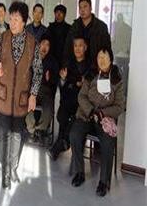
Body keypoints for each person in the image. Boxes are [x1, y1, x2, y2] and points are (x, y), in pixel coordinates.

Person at [0, 1, 43, 189]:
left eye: (16, 19)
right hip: (3, 96)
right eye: (10, 18)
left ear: (24, 21)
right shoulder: (2, 38)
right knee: (4, 134)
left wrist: (33, 94)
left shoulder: (32, 43)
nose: (12, 23)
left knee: (18, 135)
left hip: (21, 97)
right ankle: (5, 170)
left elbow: (38, 71)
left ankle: (13, 168)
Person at [70, 47, 124, 197]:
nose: (102, 60)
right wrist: (91, 111)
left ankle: (104, 182)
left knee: (107, 142)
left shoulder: (116, 79)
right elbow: (81, 96)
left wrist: (103, 113)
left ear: (111, 60)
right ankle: (79, 172)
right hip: (86, 115)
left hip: (104, 119)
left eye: (105, 57)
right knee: (74, 135)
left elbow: (120, 106)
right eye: (99, 57)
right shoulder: (91, 74)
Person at [49, 36, 90, 161]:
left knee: (74, 118)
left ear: (85, 47)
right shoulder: (68, 63)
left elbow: (93, 88)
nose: (77, 48)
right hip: (68, 100)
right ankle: (63, 143)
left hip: (82, 104)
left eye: (80, 45)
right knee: (62, 115)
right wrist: (62, 79)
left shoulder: (90, 66)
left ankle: (62, 144)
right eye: (75, 45)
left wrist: (84, 85)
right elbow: (63, 87)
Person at [26, 34, 59, 144]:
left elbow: (56, 80)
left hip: (46, 91)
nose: (45, 47)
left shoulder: (52, 61)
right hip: (31, 90)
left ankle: (40, 130)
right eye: (43, 44)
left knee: (49, 109)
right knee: (27, 105)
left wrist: (50, 78)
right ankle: (31, 130)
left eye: (47, 45)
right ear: (39, 45)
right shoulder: (32, 57)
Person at [64, 0, 112, 68]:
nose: (82, 10)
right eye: (80, 7)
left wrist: (105, 67)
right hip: (77, 68)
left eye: (85, 7)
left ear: (91, 8)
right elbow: (67, 49)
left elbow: (107, 50)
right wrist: (66, 66)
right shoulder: (75, 27)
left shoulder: (101, 27)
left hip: (95, 67)